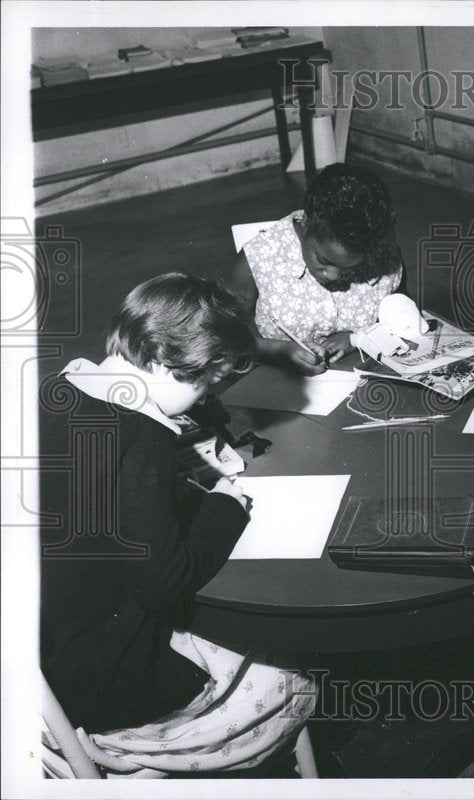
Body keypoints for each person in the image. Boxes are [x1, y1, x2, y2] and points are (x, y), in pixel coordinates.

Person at [39, 273, 316, 774]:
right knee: (292, 677)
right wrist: (227, 505)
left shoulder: (57, 390)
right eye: (209, 382)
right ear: (165, 363)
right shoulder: (140, 441)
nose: (210, 396)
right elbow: (164, 583)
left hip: (39, 665)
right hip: (108, 696)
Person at [229, 163, 406, 376]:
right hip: (277, 383)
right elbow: (230, 332)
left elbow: (402, 318)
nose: (333, 276)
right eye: (323, 260)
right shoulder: (258, 258)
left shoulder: (386, 262)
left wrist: (356, 339)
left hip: (362, 376)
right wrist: (277, 351)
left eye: (352, 268)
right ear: (305, 225)